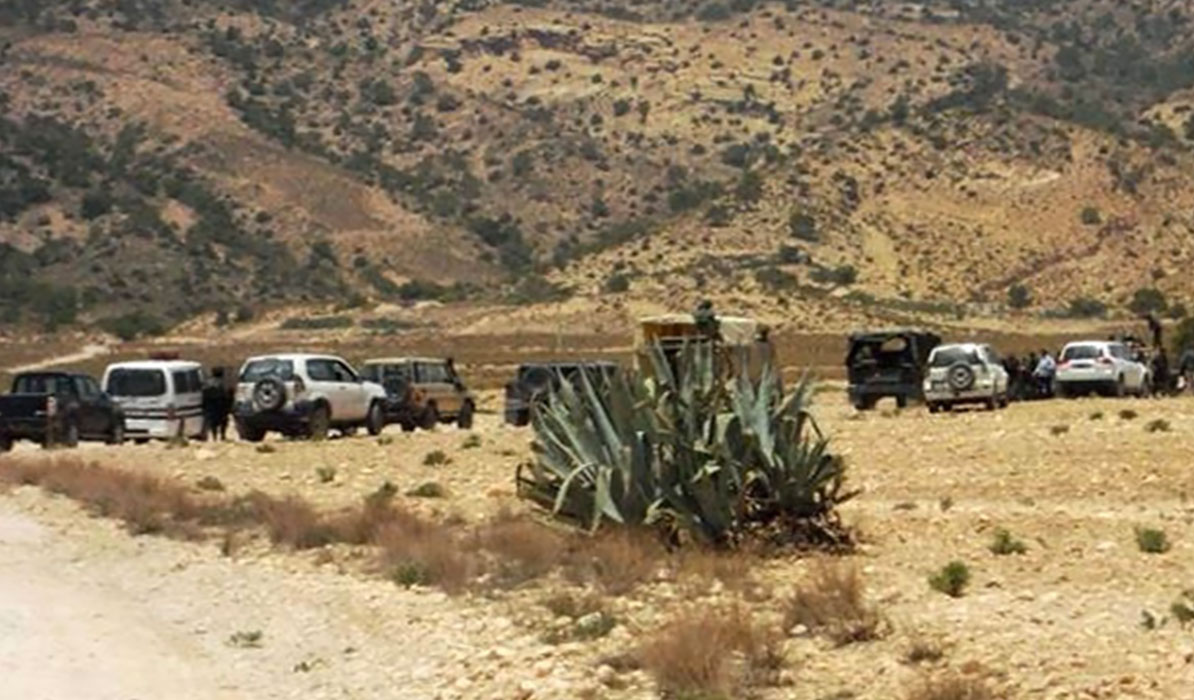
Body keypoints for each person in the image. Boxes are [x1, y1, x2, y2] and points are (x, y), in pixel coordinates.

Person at [203, 367, 232, 441]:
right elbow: (226, 395)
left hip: (211, 406)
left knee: (213, 423)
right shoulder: (222, 383)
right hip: (220, 405)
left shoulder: (207, 383)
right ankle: (222, 435)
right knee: (223, 421)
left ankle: (214, 437)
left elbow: (204, 394)